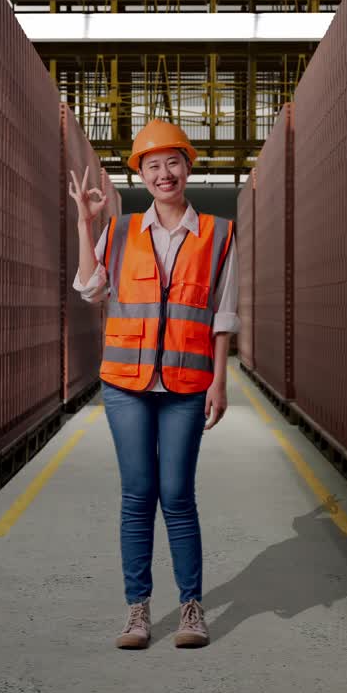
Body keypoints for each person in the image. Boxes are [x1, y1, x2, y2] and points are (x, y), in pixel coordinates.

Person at [68, 119, 240, 650]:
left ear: (188, 167)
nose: (164, 173)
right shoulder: (118, 232)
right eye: (152, 165)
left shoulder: (218, 233)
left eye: (173, 162)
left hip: (187, 384)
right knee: (138, 495)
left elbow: (223, 313)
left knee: (178, 496)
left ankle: (191, 608)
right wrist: (85, 223)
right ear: (139, 174)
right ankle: (138, 610)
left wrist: (219, 381)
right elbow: (89, 290)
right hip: (126, 384)